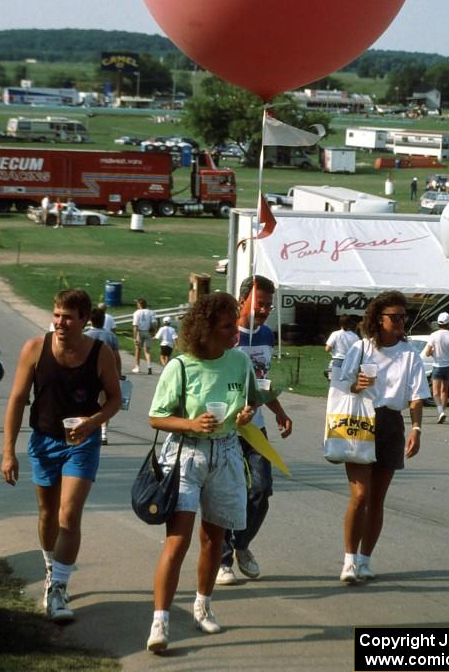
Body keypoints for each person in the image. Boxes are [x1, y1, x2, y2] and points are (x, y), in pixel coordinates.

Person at [146, 292, 265, 654]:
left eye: (235, 324)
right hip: (186, 455)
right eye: (227, 326)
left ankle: (203, 604)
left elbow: (249, 401)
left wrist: (245, 415)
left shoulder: (240, 362)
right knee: (177, 541)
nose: (235, 333)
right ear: (205, 329)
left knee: (215, 539)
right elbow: (156, 416)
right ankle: (160, 621)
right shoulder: (180, 366)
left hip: (227, 453)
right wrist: (191, 423)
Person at [0, 288, 121, 624]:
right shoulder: (35, 349)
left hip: (82, 443)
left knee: (68, 516)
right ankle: (52, 566)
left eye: (67, 317)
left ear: (84, 319)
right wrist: (8, 451)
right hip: (44, 440)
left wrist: (92, 422)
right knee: (47, 513)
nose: (60, 323)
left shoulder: (100, 354)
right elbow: (16, 400)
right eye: (56, 315)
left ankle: (58, 589)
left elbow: (114, 399)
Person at [340, 290, 428, 582]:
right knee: (360, 495)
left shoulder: (410, 355)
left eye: (404, 316)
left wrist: (416, 429)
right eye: (395, 316)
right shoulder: (361, 349)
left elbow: (416, 397)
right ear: (379, 318)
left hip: (391, 423)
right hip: (360, 419)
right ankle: (349, 561)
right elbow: (342, 386)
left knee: (377, 499)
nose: (401, 321)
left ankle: (365, 560)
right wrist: (356, 385)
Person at [216, 275, 292, 586]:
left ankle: (241, 544)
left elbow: (262, 382)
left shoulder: (266, 335)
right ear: (243, 300)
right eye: (260, 303)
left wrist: (279, 412)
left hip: (255, 428)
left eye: (269, 305)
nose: (264, 310)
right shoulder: (226, 334)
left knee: (261, 488)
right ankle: (222, 561)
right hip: (225, 428)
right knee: (225, 493)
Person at [84, 306, 122, 445]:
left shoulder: (86, 335)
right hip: (107, 374)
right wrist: (119, 373)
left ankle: (88, 428)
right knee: (105, 403)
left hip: (89, 375)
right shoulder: (111, 336)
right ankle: (104, 432)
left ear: (90, 321)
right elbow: (117, 357)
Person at [422, 312, 449, 423]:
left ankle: (440, 412)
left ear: (438, 323)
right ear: (448, 323)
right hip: (448, 366)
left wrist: (433, 352)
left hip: (437, 366)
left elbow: (427, 353)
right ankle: (443, 412)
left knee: (435, 392)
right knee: (444, 391)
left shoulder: (434, 335)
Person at [324, 314, 360, 383]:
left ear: (340, 323)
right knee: (347, 384)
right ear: (350, 324)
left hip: (337, 361)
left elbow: (327, 348)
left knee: (334, 384)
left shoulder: (335, 334)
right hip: (350, 362)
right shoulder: (355, 336)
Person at [132, 298, 157, 375]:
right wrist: (153, 332)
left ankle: (137, 367)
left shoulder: (136, 313)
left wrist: (134, 337)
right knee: (147, 351)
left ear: (139, 304)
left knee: (138, 350)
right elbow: (153, 324)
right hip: (147, 332)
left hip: (140, 332)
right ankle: (149, 366)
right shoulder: (151, 312)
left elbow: (135, 326)